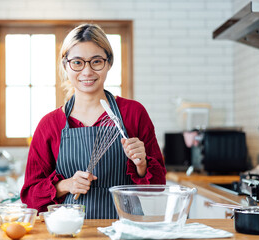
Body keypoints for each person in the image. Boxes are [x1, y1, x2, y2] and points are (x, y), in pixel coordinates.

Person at [20, 23, 166, 219]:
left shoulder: (134, 113)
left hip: (127, 227)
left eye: (96, 61)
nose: (87, 71)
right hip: (70, 230)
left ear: (109, 63)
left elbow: (158, 186)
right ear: (66, 65)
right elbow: (30, 196)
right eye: (78, 62)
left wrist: (141, 166)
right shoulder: (50, 125)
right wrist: (66, 185)